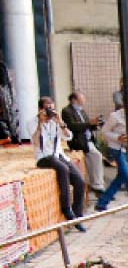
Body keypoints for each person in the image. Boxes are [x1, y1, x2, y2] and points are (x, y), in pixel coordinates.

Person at [30, 97, 86, 231]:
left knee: (80, 181)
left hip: (59, 155)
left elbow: (68, 136)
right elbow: (35, 140)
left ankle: (77, 216)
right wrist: (40, 122)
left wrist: (60, 122)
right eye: (47, 108)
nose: (50, 111)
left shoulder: (56, 121)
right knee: (62, 169)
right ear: (40, 109)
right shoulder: (33, 122)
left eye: (52, 108)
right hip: (43, 157)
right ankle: (66, 208)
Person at [95, 101, 128, 213]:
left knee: (121, 177)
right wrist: (117, 137)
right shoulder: (114, 116)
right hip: (116, 148)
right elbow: (104, 131)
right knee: (127, 175)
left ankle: (102, 201)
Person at [61, 91, 105, 196]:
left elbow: (87, 125)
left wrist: (95, 124)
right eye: (82, 98)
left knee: (95, 158)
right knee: (96, 156)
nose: (84, 100)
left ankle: (96, 183)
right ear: (74, 100)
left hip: (89, 140)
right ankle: (97, 185)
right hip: (79, 141)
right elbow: (72, 126)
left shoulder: (82, 111)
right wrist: (89, 123)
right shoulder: (67, 111)